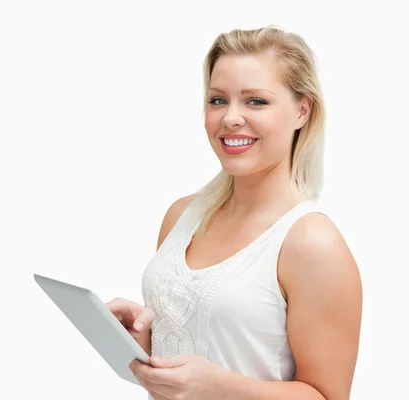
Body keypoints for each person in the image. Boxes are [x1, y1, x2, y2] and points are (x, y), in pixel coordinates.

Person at [106, 25, 362, 400]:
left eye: (256, 101)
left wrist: (219, 387)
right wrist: (141, 339)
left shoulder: (311, 243)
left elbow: (328, 397)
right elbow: (201, 344)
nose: (230, 118)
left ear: (302, 111)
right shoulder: (182, 217)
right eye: (218, 100)